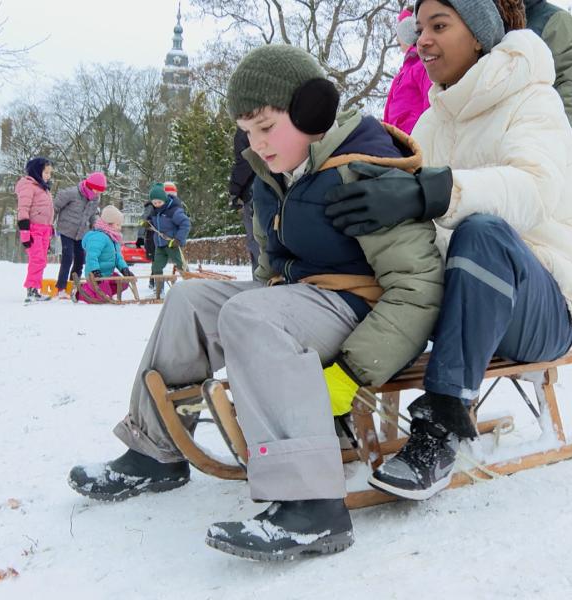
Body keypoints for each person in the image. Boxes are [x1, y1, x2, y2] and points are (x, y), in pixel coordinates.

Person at [67, 44, 443, 561]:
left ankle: (311, 503)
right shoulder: (274, 173)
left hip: (357, 307)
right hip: (297, 299)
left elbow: (418, 288)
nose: (257, 143)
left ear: (312, 110)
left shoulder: (365, 166)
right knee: (189, 300)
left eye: (266, 127)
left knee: (250, 313)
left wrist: (354, 370)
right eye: (247, 131)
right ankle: (156, 451)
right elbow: (271, 268)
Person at [325, 0, 572, 500]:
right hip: (465, 305)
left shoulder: (534, 101)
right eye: (420, 27)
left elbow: (534, 191)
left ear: (477, 34)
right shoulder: (433, 120)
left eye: (439, 25)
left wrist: (431, 191)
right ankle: (330, 401)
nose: (421, 39)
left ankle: (440, 429)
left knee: (482, 232)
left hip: (543, 305)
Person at [524, 0, 572, 128]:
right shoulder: (487, 14)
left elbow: (568, 81)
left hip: (530, 129)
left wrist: (558, 134)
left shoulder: (555, 19)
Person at [54, 172, 107, 298]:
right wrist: (50, 223)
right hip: (66, 229)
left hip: (82, 232)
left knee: (80, 258)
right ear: (90, 186)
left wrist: (96, 225)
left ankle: (74, 285)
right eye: (97, 190)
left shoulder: (95, 199)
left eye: (100, 191)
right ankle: (60, 287)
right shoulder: (73, 193)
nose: (98, 193)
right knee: (67, 257)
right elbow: (55, 205)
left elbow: (93, 214)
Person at [383, 7, 434, 134]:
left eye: (400, 34)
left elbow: (431, 102)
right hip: (396, 143)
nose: (397, 39)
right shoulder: (404, 71)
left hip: (414, 140)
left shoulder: (422, 64)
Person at [74, 205, 134, 304]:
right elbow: (92, 256)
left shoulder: (113, 238)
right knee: (103, 298)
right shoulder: (98, 237)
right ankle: (80, 292)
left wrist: (124, 269)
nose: (120, 228)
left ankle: (104, 293)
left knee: (123, 283)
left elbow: (118, 257)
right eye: (118, 225)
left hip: (108, 274)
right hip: (96, 276)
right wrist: (95, 271)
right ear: (109, 224)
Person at [15, 157, 54, 303]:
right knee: (36, 259)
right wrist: (25, 232)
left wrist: (51, 228)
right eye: (46, 172)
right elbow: (23, 209)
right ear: (37, 171)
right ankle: (31, 289)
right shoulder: (28, 186)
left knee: (42, 260)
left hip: (45, 229)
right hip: (33, 229)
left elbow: (47, 210)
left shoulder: (44, 189)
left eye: (50, 173)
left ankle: (36, 289)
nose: (48, 176)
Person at [228, 129, 261, 272]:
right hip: (276, 186)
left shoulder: (246, 128)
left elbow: (245, 162)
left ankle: (262, 283)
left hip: (255, 192)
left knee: (258, 241)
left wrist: (234, 191)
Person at [145, 182, 191, 280]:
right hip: (160, 245)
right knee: (156, 268)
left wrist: (178, 239)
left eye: (159, 202)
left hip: (172, 244)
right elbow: (152, 223)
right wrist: (147, 224)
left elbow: (186, 224)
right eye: (154, 203)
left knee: (181, 266)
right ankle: (158, 290)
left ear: (164, 200)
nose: (157, 205)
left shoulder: (174, 211)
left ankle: (190, 283)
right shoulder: (154, 212)